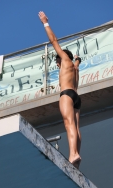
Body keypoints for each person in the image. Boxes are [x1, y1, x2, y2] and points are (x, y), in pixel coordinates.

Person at [38, 11, 82, 169]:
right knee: (76, 128)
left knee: (68, 124)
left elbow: (53, 40)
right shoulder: (75, 68)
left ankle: (73, 154)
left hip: (67, 95)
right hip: (77, 97)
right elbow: (78, 62)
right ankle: (76, 157)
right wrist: (77, 59)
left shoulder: (64, 59)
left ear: (62, 57)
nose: (57, 64)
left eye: (57, 61)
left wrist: (45, 22)